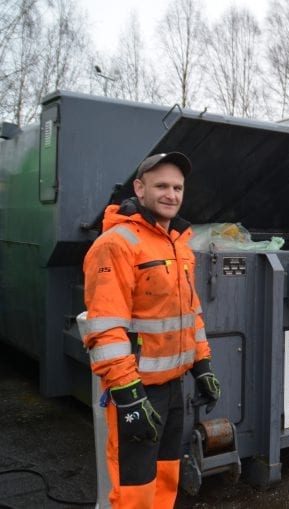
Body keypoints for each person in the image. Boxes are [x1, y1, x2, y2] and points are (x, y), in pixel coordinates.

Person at [82, 152, 221, 508]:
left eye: (177, 187)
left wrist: (202, 364)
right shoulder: (115, 244)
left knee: (166, 477)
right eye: (161, 186)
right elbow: (105, 329)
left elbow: (191, 314)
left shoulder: (178, 244)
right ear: (139, 189)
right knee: (135, 489)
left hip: (174, 387)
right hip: (138, 389)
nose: (171, 194)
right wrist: (128, 394)